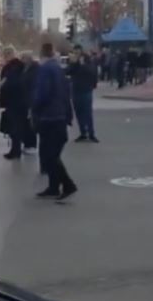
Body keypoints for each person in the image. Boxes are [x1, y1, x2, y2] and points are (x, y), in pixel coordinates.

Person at [32, 42, 77, 201]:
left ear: (42, 54)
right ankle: (53, 187)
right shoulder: (58, 69)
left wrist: (34, 107)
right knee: (52, 153)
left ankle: (68, 184)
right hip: (59, 115)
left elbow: (42, 93)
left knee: (49, 155)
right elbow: (66, 93)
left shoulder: (45, 69)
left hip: (48, 116)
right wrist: (68, 115)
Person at [66, 46, 99, 143]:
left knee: (87, 113)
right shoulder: (73, 62)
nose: (76, 54)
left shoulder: (88, 61)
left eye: (78, 52)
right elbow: (68, 71)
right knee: (79, 113)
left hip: (86, 90)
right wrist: (74, 63)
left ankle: (91, 134)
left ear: (81, 52)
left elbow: (92, 72)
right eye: (75, 52)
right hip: (76, 90)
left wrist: (93, 84)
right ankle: (83, 133)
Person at [0, 46, 26, 160]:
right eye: (5, 53)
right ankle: (15, 150)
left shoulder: (15, 66)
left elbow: (13, 82)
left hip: (14, 101)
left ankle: (15, 151)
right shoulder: (15, 65)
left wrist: (4, 83)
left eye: (8, 53)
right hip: (14, 100)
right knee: (14, 126)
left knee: (14, 127)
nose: (6, 56)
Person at [20, 51, 39, 155]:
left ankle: (32, 145)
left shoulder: (35, 69)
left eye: (24, 58)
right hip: (24, 99)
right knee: (25, 123)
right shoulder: (24, 68)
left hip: (31, 99)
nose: (22, 60)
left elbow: (34, 85)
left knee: (30, 122)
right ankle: (27, 143)